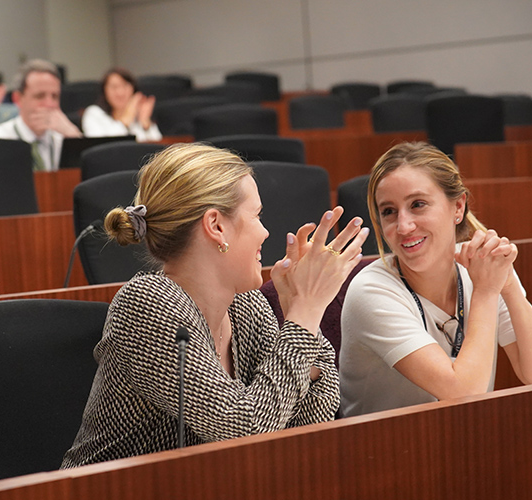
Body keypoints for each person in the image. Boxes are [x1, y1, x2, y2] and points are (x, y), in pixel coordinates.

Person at [61, 143, 369, 468]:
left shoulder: (245, 303)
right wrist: (305, 310)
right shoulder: (146, 305)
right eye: (257, 215)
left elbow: (308, 421)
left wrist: (305, 311)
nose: (266, 231)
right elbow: (244, 429)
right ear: (216, 226)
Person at [338, 142, 532, 417]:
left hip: (460, 441)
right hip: (382, 450)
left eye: (418, 205)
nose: (403, 226)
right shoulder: (371, 291)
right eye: (388, 211)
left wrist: (506, 284)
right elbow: (463, 392)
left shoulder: (483, 268)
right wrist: (486, 291)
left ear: (458, 207)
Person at [0, 59, 82, 171]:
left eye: (55, 96)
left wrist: (74, 138)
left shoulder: (64, 136)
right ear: (17, 99)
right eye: (40, 96)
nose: (49, 104)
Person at [81, 68, 162, 142]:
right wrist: (126, 119)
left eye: (125, 86)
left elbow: (160, 148)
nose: (120, 92)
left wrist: (145, 123)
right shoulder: (93, 113)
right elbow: (102, 147)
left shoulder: (138, 116)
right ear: (104, 92)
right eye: (114, 87)